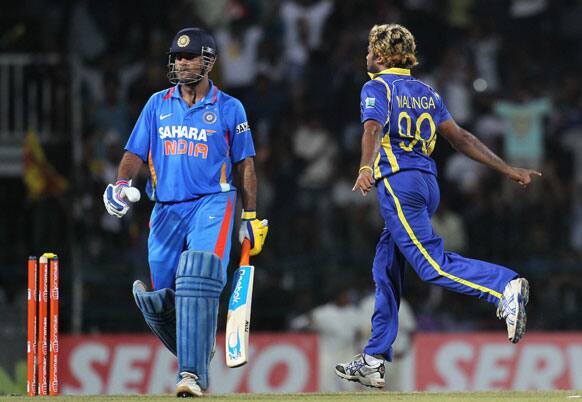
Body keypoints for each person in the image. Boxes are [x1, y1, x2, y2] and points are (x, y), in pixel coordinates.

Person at [335, 24, 540, 389]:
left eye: (369, 50)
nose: (366, 55)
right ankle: (374, 358)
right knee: (386, 267)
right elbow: (460, 137)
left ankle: (503, 286)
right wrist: (508, 169)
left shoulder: (377, 86)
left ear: (380, 57)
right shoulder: (427, 92)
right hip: (426, 183)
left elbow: (372, 129)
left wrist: (365, 165)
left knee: (431, 266)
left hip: (398, 182)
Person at [103, 27, 268, 397]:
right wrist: (120, 184)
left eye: (190, 56)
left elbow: (246, 165)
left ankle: (190, 374)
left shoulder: (229, 108)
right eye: (177, 58)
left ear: (208, 61)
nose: (181, 63)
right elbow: (133, 154)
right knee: (160, 297)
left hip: (214, 201)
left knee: (198, 271)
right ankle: (196, 344)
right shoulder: (157, 104)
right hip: (165, 208)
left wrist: (251, 216)